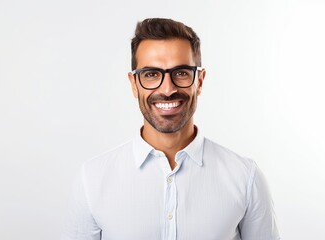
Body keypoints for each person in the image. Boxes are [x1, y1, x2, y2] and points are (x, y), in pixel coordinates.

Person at [62, 18, 280, 240]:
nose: (167, 89)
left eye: (181, 72)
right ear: (133, 84)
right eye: (151, 74)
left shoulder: (246, 178)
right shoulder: (92, 179)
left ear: (200, 81)